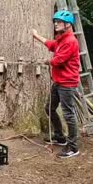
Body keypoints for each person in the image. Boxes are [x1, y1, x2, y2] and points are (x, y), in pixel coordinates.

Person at [32, 10, 81, 158]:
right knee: (49, 108)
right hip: (59, 82)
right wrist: (37, 36)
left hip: (67, 83)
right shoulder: (61, 39)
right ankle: (59, 136)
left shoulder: (71, 41)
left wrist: (47, 61)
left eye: (59, 22)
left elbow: (58, 60)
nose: (55, 24)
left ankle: (73, 147)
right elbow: (52, 44)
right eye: (55, 21)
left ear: (68, 24)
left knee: (68, 114)